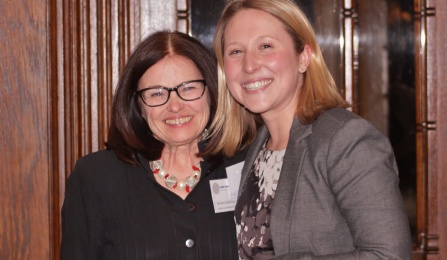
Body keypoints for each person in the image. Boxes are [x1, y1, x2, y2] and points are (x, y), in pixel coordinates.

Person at [208, 0, 413, 259]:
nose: (249, 65)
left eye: (266, 46)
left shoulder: (346, 140)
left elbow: (391, 256)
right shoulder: (256, 149)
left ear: (303, 57)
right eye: (236, 51)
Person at [60, 31, 244, 259]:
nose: (175, 106)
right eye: (157, 93)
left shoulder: (247, 166)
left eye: (188, 88)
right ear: (137, 104)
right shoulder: (95, 178)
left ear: (211, 92)